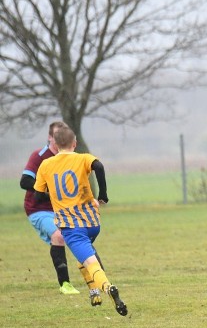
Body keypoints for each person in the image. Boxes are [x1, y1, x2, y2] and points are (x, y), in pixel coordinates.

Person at [33, 126, 128, 316]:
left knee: (90, 261)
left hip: (71, 226)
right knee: (83, 256)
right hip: (92, 223)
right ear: (74, 143)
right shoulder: (83, 157)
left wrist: (54, 195)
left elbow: (37, 197)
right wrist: (103, 194)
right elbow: (99, 166)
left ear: (56, 144)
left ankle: (107, 287)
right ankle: (94, 292)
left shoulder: (46, 165)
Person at [20, 121, 84, 295]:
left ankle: (96, 277)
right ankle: (65, 284)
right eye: (56, 136)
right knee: (58, 235)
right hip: (39, 210)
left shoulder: (70, 157)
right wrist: (49, 189)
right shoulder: (40, 156)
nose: (59, 139)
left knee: (82, 236)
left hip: (63, 209)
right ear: (49, 137)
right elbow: (24, 181)